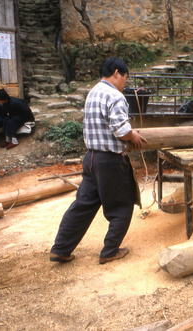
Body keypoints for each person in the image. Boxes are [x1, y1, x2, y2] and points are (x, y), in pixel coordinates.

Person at [50, 57, 147, 265]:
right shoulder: (115, 95)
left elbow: (107, 125)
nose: (124, 83)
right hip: (110, 161)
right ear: (117, 73)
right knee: (122, 206)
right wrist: (133, 136)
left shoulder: (93, 92)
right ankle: (110, 250)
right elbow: (121, 130)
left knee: (83, 204)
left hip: (91, 158)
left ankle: (60, 249)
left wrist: (129, 132)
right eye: (125, 78)